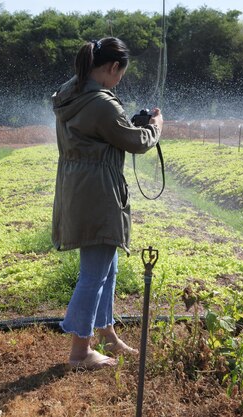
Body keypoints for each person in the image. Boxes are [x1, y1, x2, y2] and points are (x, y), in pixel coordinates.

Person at [51, 37, 163, 370]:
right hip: (99, 191)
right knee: (94, 273)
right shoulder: (101, 104)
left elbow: (105, 134)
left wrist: (130, 124)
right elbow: (134, 141)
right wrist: (155, 127)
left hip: (77, 185)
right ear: (112, 67)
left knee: (107, 267)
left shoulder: (72, 92)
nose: (119, 82)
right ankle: (80, 352)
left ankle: (106, 332)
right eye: (120, 75)